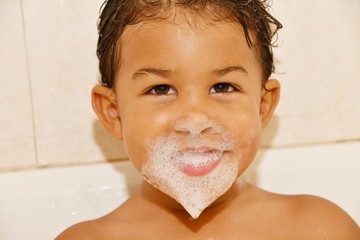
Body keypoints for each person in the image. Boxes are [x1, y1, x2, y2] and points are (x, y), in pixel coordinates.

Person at [56, 0, 360, 239]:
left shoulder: (319, 230)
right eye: (161, 89)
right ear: (114, 113)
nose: (195, 120)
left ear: (263, 105)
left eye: (223, 87)